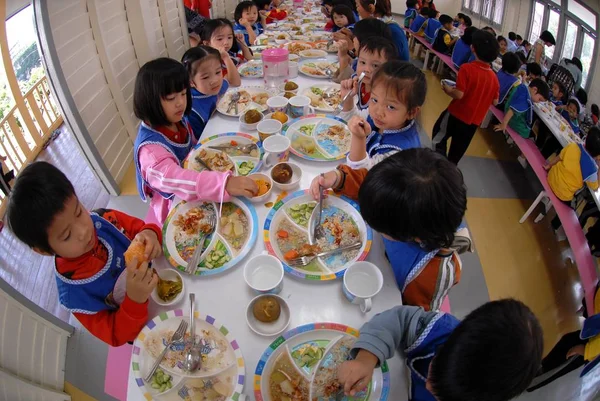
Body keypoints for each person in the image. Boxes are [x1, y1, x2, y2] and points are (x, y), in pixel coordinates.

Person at [5, 162, 163, 346]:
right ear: (44, 250)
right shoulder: (74, 293)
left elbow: (142, 229)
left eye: (79, 212)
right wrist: (135, 299)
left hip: (167, 282)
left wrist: (150, 234)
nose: (83, 232)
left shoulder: (104, 219)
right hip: (148, 330)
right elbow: (114, 335)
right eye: (67, 235)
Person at [309, 148, 466, 310]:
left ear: (413, 236)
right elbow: (371, 188)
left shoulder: (431, 276)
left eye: (378, 225)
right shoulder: (400, 196)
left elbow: (415, 317)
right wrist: (338, 178)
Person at [336, 299, 543, 401]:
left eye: (442, 394)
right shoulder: (440, 329)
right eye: (435, 366)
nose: (428, 385)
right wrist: (366, 358)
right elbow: (398, 320)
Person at [132, 58, 257, 225]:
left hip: (200, 182)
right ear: (149, 100)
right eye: (170, 98)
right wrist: (223, 184)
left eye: (183, 94)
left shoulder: (175, 119)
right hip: (174, 204)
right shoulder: (150, 153)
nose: (180, 103)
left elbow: (195, 148)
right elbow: (178, 179)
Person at [433, 30, 500, 164]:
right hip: (473, 122)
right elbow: (495, 101)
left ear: (472, 48)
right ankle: (449, 169)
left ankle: (438, 164)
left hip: (456, 114)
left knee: (439, 135)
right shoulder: (494, 77)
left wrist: (448, 90)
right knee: (457, 151)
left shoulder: (467, 69)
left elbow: (459, 94)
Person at [344, 61, 426, 169]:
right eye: (374, 99)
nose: (378, 112)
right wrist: (348, 97)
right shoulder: (380, 118)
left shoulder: (399, 153)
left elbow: (361, 173)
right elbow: (352, 120)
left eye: (391, 107)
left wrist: (359, 138)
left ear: (411, 112)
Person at [528, 284, 600, 391]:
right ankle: (539, 368)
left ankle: (532, 383)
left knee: (561, 364)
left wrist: (587, 351)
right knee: (565, 344)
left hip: (591, 348)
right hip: (591, 335)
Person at [545, 127, 600, 232]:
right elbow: (596, 187)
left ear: (586, 137)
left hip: (551, 177)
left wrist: (549, 166)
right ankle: (554, 226)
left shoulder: (573, 146)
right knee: (573, 207)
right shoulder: (592, 170)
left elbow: (559, 157)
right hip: (562, 193)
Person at [337, 37, 398, 118]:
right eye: (362, 62)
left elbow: (360, 121)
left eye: (375, 65)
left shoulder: (382, 98)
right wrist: (348, 96)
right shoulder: (357, 82)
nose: (366, 69)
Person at [181, 46, 230, 140]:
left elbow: (234, 84)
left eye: (218, 72)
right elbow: (202, 140)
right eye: (205, 77)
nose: (215, 80)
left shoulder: (218, 86)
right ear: (191, 81)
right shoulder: (192, 110)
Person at [334, 18, 393, 82]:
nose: (367, 69)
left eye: (375, 66)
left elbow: (342, 83)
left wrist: (343, 58)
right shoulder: (361, 60)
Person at [200, 18, 244, 87]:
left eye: (229, 37)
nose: (226, 42)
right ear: (207, 43)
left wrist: (242, 43)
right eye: (220, 39)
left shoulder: (229, 53)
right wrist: (226, 58)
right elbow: (236, 83)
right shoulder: (212, 63)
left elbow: (248, 60)